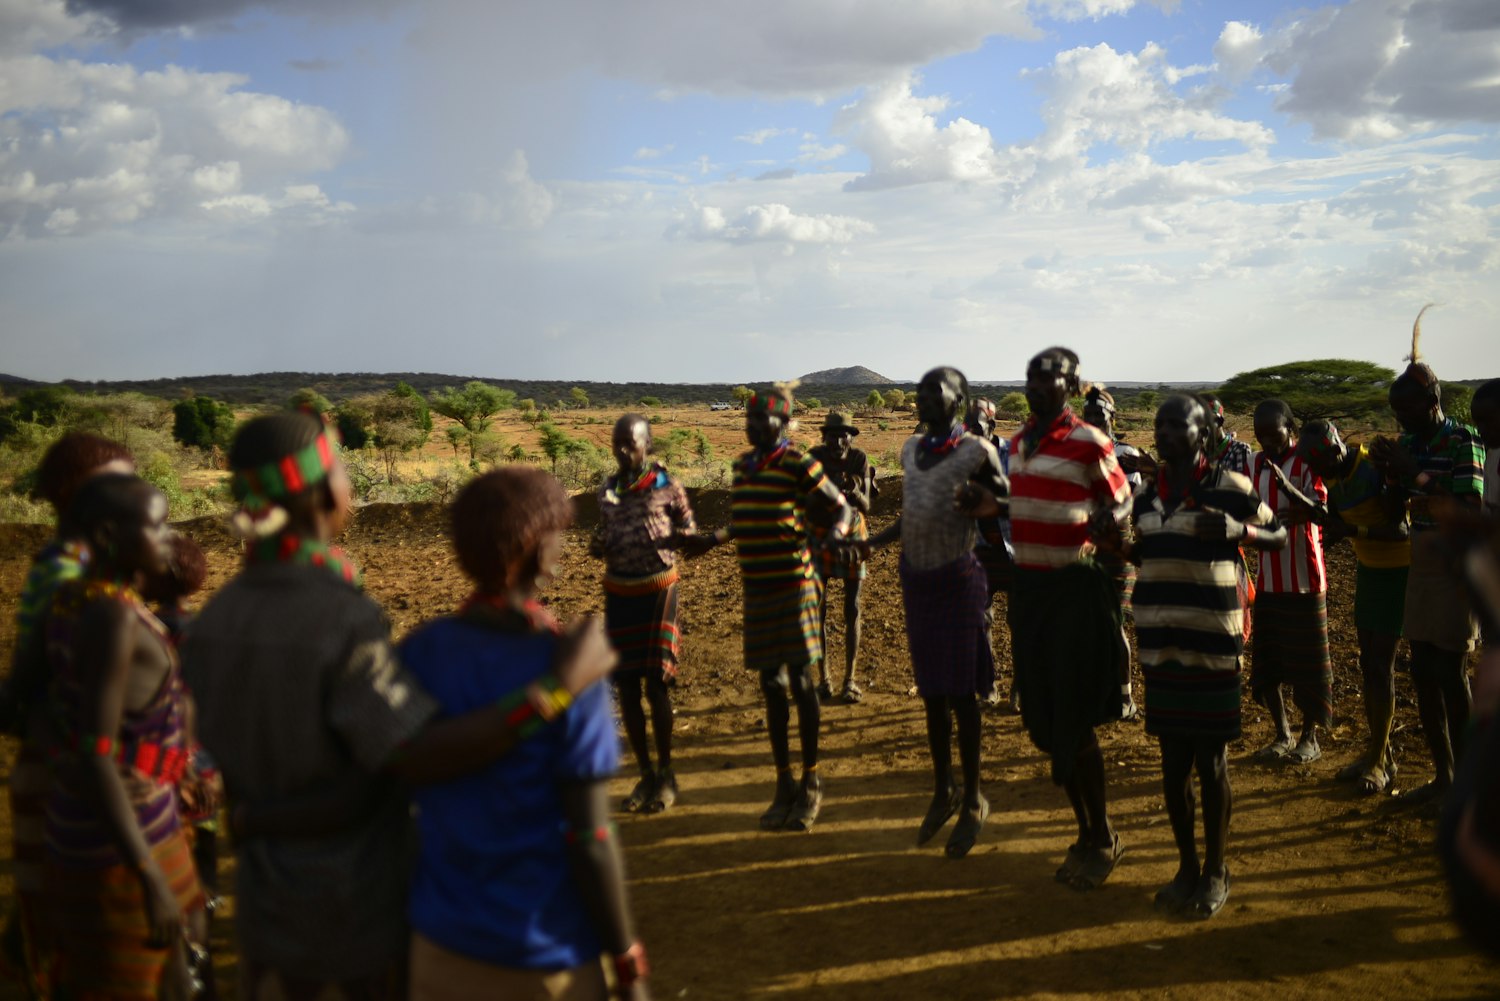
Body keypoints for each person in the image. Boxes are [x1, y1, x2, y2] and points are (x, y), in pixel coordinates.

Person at [181, 411, 617, 998]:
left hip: (266, 911)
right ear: (316, 492)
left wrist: (253, 820)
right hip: (352, 915)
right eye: (340, 468)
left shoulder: (216, 619)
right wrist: (556, 689)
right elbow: (407, 757)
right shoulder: (340, 617)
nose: (351, 484)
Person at [402, 469, 650, 1000]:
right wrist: (626, 961)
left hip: (439, 946)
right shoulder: (570, 666)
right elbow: (589, 839)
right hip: (544, 956)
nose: (563, 543)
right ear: (534, 548)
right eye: (557, 530)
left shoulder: (422, 652)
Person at [1096, 396, 1286, 920]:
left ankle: (1218, 870)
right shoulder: (1146, 494)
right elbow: (1147, 555)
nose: (1163, 432)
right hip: (1161, 643)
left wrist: (1238, 532)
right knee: (1173, 761)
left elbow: (1281, 534)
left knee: (1212, 761)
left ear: (1203, 434)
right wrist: (1116, 547)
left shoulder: (1229, 487)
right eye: (1159, 424)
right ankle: (1186, 867)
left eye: (1176, 424)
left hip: (1212, 644)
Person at [41, 474, 205, 1000]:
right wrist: (148, 877)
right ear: (111, 535)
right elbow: (97, 753)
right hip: (121, 845)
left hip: (123, 821)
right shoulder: (113, 616)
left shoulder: (72, 600)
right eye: (158, 525)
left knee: (172, 974)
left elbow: (43, 707)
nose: (168, 536)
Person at [990, 347, 1132, 890]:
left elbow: (1121, 500)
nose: (1036, 385)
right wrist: (990, 503)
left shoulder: (1089, 441)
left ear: (1070, 387)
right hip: (1031, 594)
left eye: (1048, 379)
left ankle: (1100, 835)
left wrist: (1107, 518)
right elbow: (1022, 501)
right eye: (1031, 377)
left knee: (1071, 721)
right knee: (1045, 725)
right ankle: (1089, 829)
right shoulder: (1020, 443)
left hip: (1075, 590)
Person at [682, 385, 853, 832]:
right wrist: (712, 540)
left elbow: (841, 508)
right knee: (771, 685)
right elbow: (746, 518)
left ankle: (811, 781)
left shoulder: (799, 462)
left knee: (799, 679)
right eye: (749, 421)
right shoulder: (743, 466)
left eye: (762, 422)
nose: (753, 428)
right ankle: (783, 783)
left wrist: (836, 533)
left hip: (795, 583)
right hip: (756, 587)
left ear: (783, 424)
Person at [1, 432, 134, 998]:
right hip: (66, 766)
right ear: (75, 496)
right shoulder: (65, 573)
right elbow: (34, 680)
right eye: (119, 485)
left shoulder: (86, 565)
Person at [867, 367, 1007, 858]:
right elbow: (913, 512)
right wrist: (873, 541)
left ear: (959, 399)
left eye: (935, 392)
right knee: (931, 692)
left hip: (959, 579)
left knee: (963, 696)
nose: (923, 399)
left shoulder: (977, 451)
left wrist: (984, 502)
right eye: (920, 392)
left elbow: (1007, 500)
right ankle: (943, 787)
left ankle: (973, 798)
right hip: (917, 580)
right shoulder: (910, 449)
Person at [1370, 306, 1484, 804]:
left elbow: (1470, 508)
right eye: (1397, 413)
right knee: (1420, 671)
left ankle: (1467, 786)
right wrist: (1389, 474)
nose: (1402, 420)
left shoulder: (1464, 441)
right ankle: (1443, 779)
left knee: (1450, 674)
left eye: (1410, 410)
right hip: (1421, 559)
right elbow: (1398, 511)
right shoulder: (1410, 442)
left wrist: (1414, 472)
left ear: (1433, 400)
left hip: (1457, 566)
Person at [1294, 420, 1410, 794]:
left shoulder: (1374, 467)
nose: (1322, 472)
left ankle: (1379, 761)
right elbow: (1344, 520)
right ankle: (1380, 753)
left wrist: (1349, 532)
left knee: (1382, 666)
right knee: (1367, 664)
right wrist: (1330, 526)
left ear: (1336, 448)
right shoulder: (1332, 475)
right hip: (1369, 570)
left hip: (1398, 570)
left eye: (1325, 463)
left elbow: (1400, 528)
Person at [591, 413, 696, 815]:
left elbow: (688, 529)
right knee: (627, 687)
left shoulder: (666, 485)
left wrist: (673, 536)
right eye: (616, 443)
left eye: (629, 443)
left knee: (656, 685)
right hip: (619, 593)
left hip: (658, 591)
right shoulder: (607, 490)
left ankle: (666, 773)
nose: (621, 450)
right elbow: (602, 534)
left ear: (647, 446)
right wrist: (599, 545)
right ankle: (645, 772)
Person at [142, 531, 224, 997]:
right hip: (204, 773)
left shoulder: (142, 632)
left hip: (156, 777)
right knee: (204, 879)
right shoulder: (207, 635)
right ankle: (204, 975)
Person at [1246, 399, 1332, 766]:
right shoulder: (1254, 464)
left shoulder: (1307, 461)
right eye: (1260, 433)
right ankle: (1283, 733)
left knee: (1309, 666)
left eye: (1274, 432)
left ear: (1291, 430)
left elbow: (1322, 510)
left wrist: (1295, 510)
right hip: (1268, 576)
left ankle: (1310, 738)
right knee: (1269, 662)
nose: (1267, 439)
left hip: (1304, 577)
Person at [1083, 385, 1142, 721]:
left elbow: (1131, 497)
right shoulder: (1078, 453)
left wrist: (1112, 515)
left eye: (1098, 415)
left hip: (1116, 547)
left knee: (1113, 623)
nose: (1091, 420)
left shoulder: (1124, 452)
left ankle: (1125, 696)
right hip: (1084, 547)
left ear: (1111, 417)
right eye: (1087, 414)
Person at [807, 411, 875, 704]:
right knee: (818, 610)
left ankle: (850, 679)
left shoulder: (859, 460)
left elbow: (867, 505)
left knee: (853, 608)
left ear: (851, 437)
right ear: (825, 437)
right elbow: (806, 500)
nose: (838, 440)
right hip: (821, 535)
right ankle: (824, 679)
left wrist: (855, 488)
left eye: (843, 435)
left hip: (852, 536)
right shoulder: (813, 458)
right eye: (833, 435)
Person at [965, 398, 1018, 711]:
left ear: (992, 427)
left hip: (1016, 548)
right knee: (979, 621)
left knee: (1020, 621)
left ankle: (1019, 690)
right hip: (980, 550)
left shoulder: (1014, 453)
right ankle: (988, 686)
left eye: (976, 427)